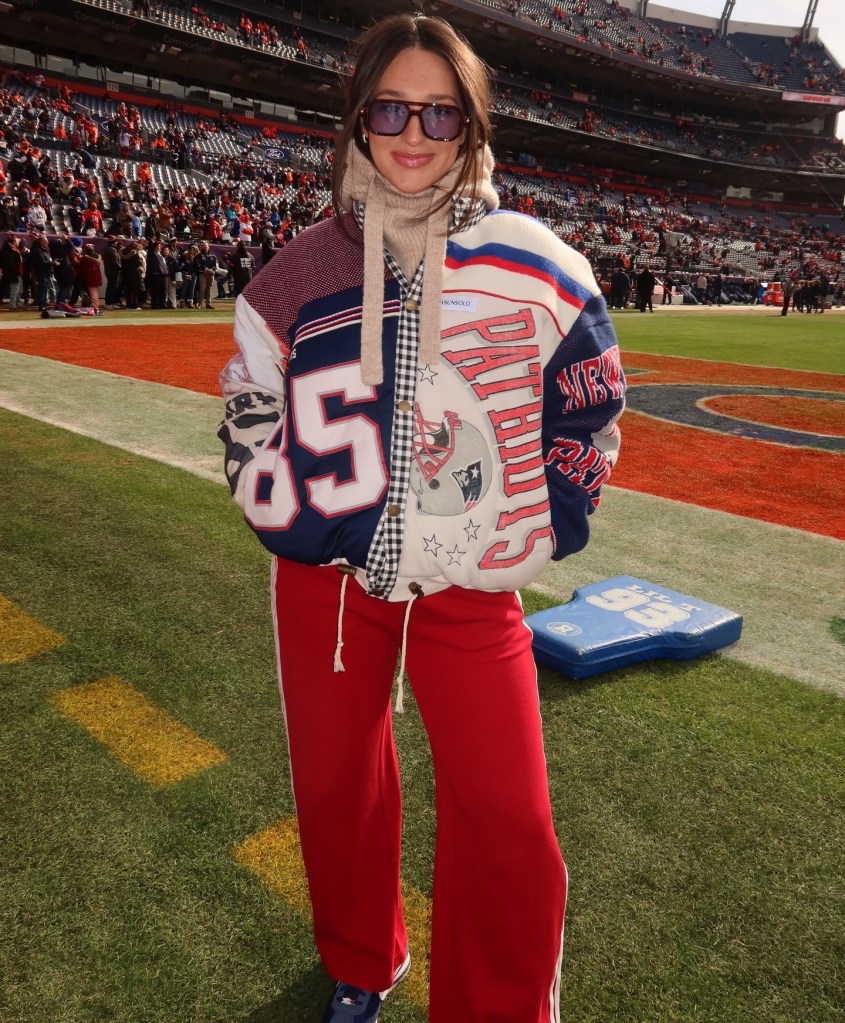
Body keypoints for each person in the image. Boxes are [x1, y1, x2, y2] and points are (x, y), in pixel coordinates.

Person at [218, 15, 625, 1023]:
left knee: (508, 817)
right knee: (335, 785)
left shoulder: (530, 261)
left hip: (471, 584)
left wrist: (543, 521)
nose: (412, 131)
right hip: (329, 586)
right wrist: (311, 524)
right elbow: (246, 414)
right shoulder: (299, 273)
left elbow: (591, 395)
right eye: (389, 108)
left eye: (437, 111)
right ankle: (364, 956)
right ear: (358, 122)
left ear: (469, 127)